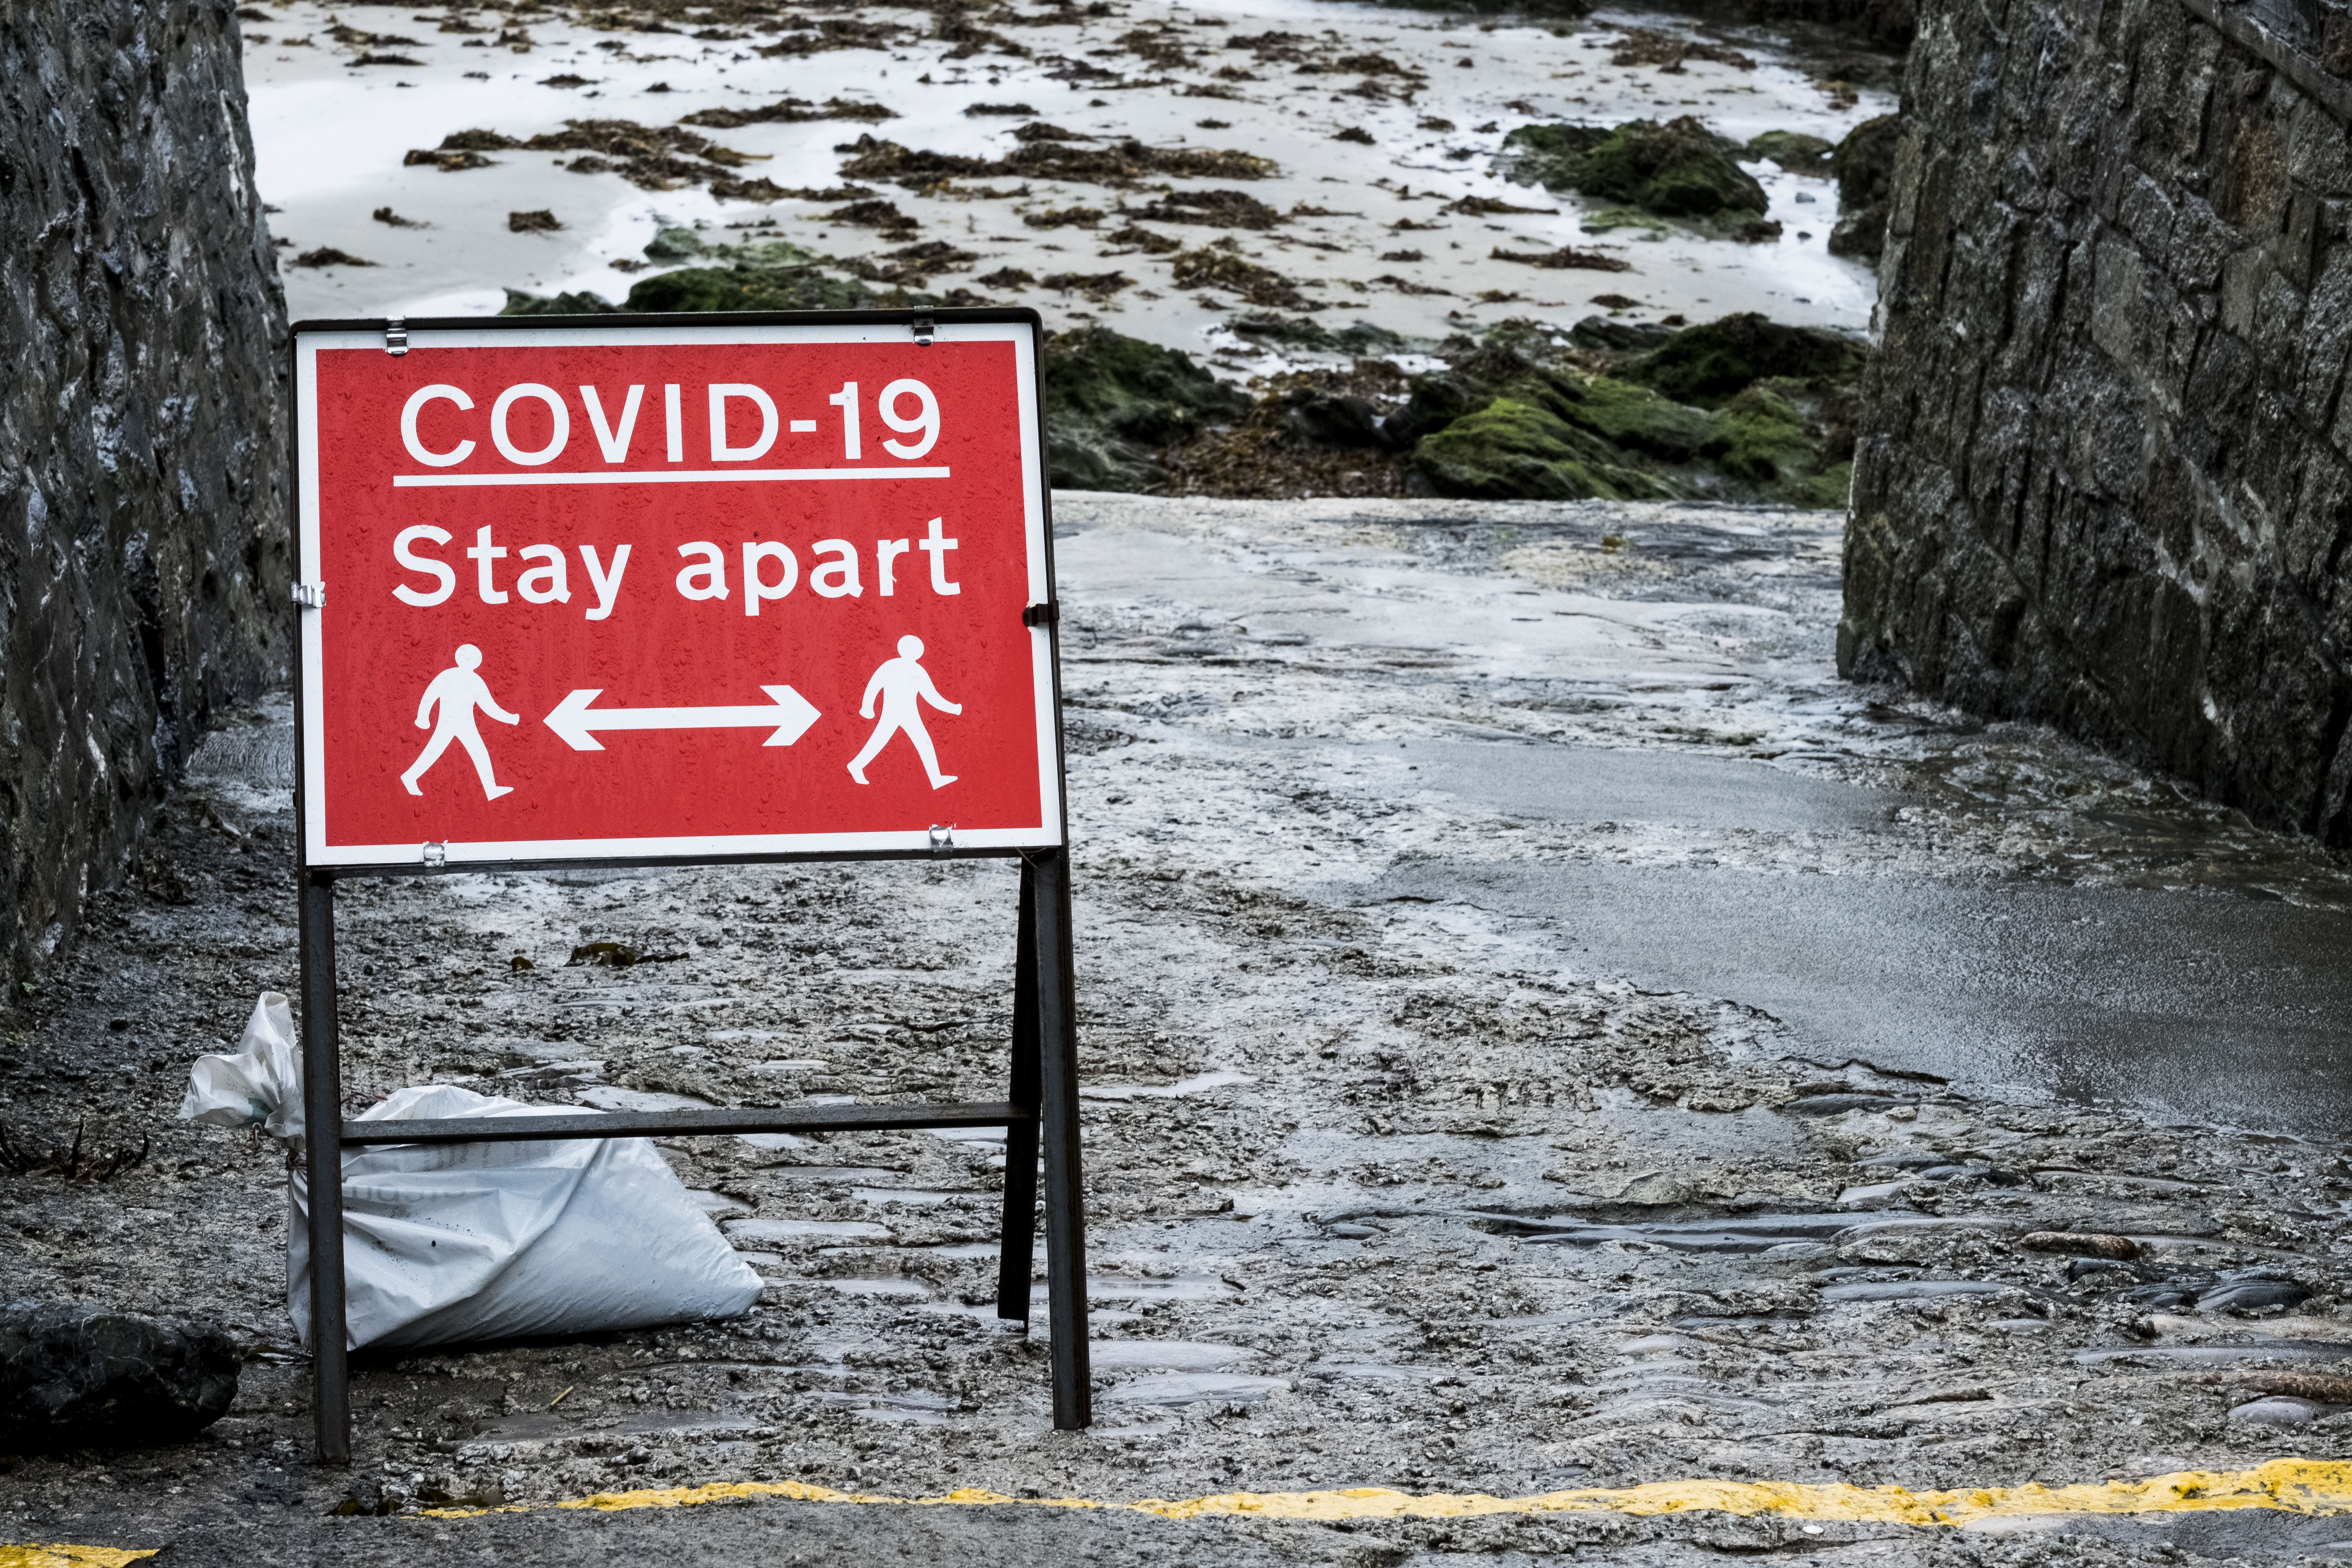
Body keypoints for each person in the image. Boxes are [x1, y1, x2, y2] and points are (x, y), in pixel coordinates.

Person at [401, 644, 520, 800]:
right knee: (438, 752)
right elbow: (430, 695)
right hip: (451, 723)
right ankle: (410, 777)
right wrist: (422, 717)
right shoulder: (452, 677)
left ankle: (492, 790)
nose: (470, 659)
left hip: (464, 724)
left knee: (477, 753)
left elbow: (490, 707)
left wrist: (510, 718)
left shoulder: (465, 679)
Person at [847, 635, 960, 789]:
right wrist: (867, 707)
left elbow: (932, 697)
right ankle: (856, 766)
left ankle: (936, 778)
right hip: (895, 713)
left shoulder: (908, 669)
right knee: (882, 742)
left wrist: (952, 708)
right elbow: (875, 685)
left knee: (922, 743)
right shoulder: (901, 668)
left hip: (907, 714)